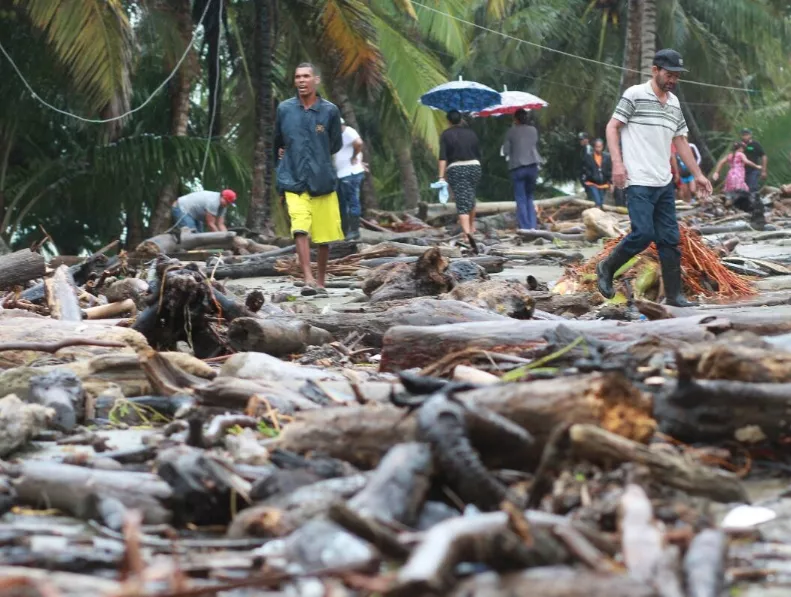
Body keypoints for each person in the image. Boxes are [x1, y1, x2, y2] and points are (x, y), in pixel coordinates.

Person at [597, 49, 712, 308]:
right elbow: (612, 126)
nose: (672, 80)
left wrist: (698, 175)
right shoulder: (635, 95)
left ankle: (674, 296)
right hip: (638, 179)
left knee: (669, 239)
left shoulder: (673, 104)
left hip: (663, 182)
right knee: (643, 233)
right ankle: (607, 267)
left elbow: (680, 140)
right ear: (655, 70)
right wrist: (617, 163)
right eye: (669, 74)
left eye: (676, 76)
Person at [274, 62, 344, 295]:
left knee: (324, 237)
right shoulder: (285, 109)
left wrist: (316, 153)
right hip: (293, 177)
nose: (301, 81)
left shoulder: (330, 111)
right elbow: (278, 140)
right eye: (297, 77)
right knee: (300, 227)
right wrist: (286, 153)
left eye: (306, 76)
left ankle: (321, 281)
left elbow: (335, 144)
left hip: (322, 179)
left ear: (316, 80)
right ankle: (308, 279)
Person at [438, 110, 482, 249]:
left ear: (448, 121)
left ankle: (467, 234)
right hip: (475, 166)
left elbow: (443, 157)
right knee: (470, 197)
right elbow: (478, 153)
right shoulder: (471, 133)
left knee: (462, 202)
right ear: (461, 119)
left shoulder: (446, 134)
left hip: (457, 168)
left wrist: (441, 176)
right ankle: (472, 226)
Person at [503, 109, 541, 229]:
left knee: (520, 198)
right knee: (529, 196)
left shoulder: (511, 131)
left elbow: (506, 151)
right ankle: (532, 226)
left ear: (515, 119)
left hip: (518, 167)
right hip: (533, 166)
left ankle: (525, 227)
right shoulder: (533, 130)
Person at [334, 117, 365, 240]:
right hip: (342, 174)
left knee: (352, 201)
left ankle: (354, 231)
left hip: (350, 174)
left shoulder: (348, 131)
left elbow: (359, 143)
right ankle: (344, 230)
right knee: (342, 203)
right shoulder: (337, 135)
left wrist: (354, 157)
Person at [171, 189, 236, 232]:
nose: (227, 205)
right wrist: (221, 238)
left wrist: (227, 236)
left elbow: (220, 224)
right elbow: (210, 224)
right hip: (182, 208)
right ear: (223, 197)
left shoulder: (223, 206)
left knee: (200, 236)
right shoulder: (213, 202)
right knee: (192, 236)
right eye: (227, 202)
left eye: (229, 203)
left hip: (194, 215)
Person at [581, 138, 612, 208]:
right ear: (594, 147)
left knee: (601, 201)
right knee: (597, 201)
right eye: (597, 147)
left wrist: (610, 182)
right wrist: (589, 177)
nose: (598, 149)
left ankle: (598, 215)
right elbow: (585, 169)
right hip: (592, 183)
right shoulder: (589, 157)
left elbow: (609, 170)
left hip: (603, 184)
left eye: (600, 147)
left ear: (602, 146)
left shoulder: (607, 157)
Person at [741, 128, 768, 192]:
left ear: (750, 135)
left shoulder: (755, 144)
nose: (745, 136)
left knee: (752, 188)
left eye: (747, 135)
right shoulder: (739, 145)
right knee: (741, 189)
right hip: (741, 170)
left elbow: (764, 156)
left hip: (753, 170)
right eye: (743, 135)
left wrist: (763, 171)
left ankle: (753, 200)